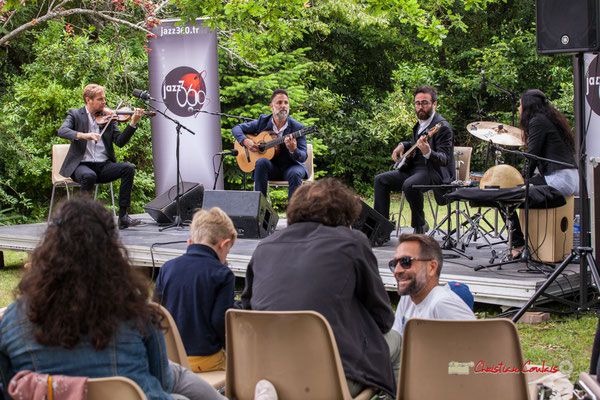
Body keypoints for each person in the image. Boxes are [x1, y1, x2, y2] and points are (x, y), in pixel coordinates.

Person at [0, 198, 226, 400]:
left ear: (48, 248)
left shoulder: (11, 322)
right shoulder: (138, 314)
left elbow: (9, 388)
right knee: (175, 380)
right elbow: (163, 383)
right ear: (112, 252)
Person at [241, 178, 401, 398]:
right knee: (396, 340)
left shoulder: (264, 247)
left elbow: (247, 313)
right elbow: (384, 319)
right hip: (328, 379)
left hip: (265, 374)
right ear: (345, 214)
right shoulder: (352, 242)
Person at [154, 207, 236, 373]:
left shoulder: (167, 268)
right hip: (205, 360)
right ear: (224, 244)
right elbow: (220, 321)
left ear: (190, 242)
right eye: (227, 252)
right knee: (241, 368)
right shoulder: (223, 273)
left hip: (169, 359)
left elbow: (156, 312)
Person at [57, 83, 144, 229]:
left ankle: (123, 217)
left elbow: (120, 142)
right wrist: (84, 135)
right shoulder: (75, 114)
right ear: (88, 100)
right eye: (100, 99)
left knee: (128, 168)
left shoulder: (108, 117)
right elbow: (62, 131)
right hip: (81, 166)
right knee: (89, 176)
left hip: (103, 166)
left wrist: (133, 122)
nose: (104, 102)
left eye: (104, 99)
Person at [374, 85, 455, 234]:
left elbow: (444, 159)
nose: (420, 107)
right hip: (413, 169)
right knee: (381, 180)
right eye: (417, 103)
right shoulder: (419, 124)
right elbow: (414, 145)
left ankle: (420, 225)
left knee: (410, 185)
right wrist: (402, 145)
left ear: (434, 104)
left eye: (425, 103)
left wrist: (428, 152)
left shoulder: (442, 127)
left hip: (433, 171)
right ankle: (381, 228)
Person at [510, 89, 578, 258]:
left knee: (508, 196)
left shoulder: (537, 121)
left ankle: (518, 244)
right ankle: (530, 242)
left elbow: (532, 156)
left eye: (520, 105)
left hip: (559, 179)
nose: (518, 108)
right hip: (567, 177)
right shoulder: (550, 119)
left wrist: (522, 181)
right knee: (517, 191)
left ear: (528, 106)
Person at [391, 233, 475, 336]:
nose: (397, 270)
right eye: (394, 264)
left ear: (431, 267)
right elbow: (396, 343)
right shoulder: (408, 298)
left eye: (406, 262)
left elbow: (477, 347)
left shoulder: (443, 303)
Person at [231, 89, 308, 201]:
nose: (283, 106)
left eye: (286, 103)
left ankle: (293, 213)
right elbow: (236, 128)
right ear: (271, 106)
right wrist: (245, 141)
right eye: (279, 103)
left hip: (292, 166)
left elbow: (303, 156)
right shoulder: (263, 121)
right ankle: (260, 210)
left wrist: (293, 150)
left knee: (295, 173)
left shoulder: (298, 128)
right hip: (272, 168)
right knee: (261, 162)